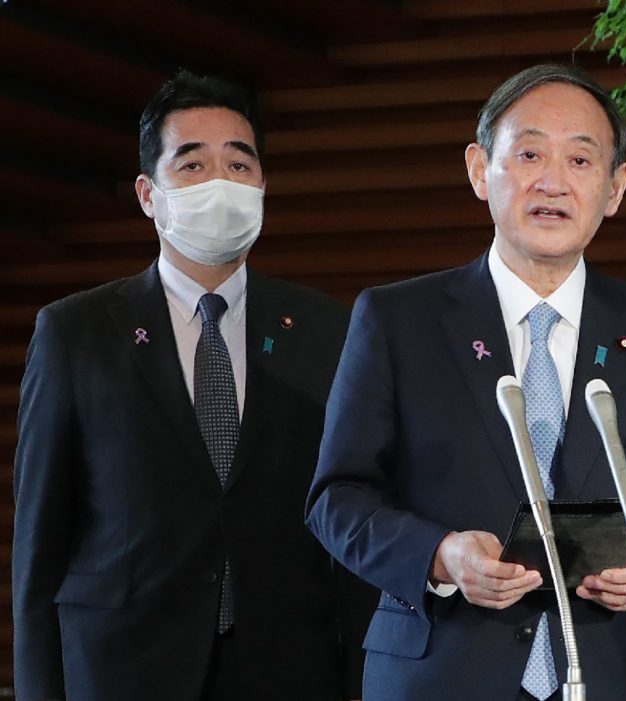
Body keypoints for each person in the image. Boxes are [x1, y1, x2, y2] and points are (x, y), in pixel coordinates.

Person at [306, 64, 626, 701]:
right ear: (481, 169)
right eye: (530, 153)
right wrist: (440, 555)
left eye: (582, 160)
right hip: (439, 672)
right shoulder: (399, 321)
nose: (553, 182)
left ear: (616, 188)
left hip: (613, 670)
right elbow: (337, 497)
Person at [12, 70, 374, 701]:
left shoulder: (327, 328)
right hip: (124, 665)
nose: (220, 184)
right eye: (193, 164)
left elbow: (350, 510)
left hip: (287, 665)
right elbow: (40, 546)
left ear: (261, 186)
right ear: (149, 193)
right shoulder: (76, 333)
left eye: (239, 164)